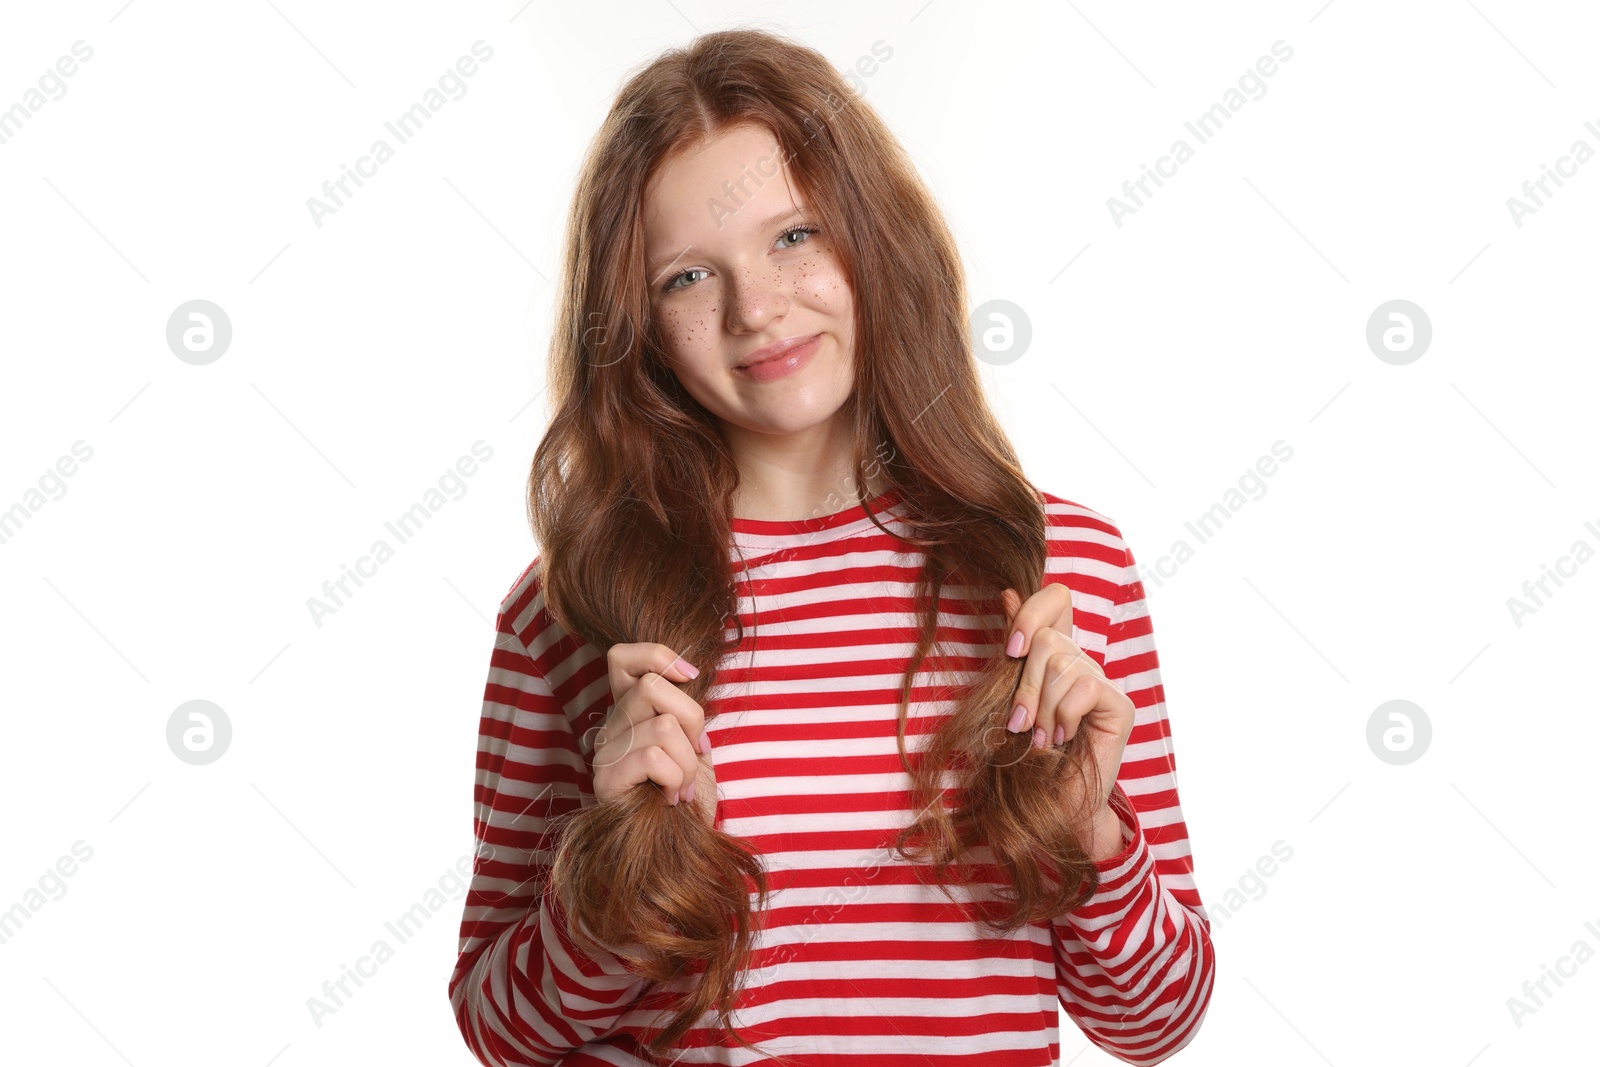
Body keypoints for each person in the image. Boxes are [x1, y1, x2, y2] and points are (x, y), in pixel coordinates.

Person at [447, 27, 1213, 1067]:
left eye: (795, 235)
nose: (756, 309)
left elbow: (1155, 1020)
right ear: (638, 326)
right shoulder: (572, 603)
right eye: (687, 278)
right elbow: (501, 1034)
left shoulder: (1064, 569)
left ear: (870, 238)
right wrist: (610, 878)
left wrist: (1089, 827)